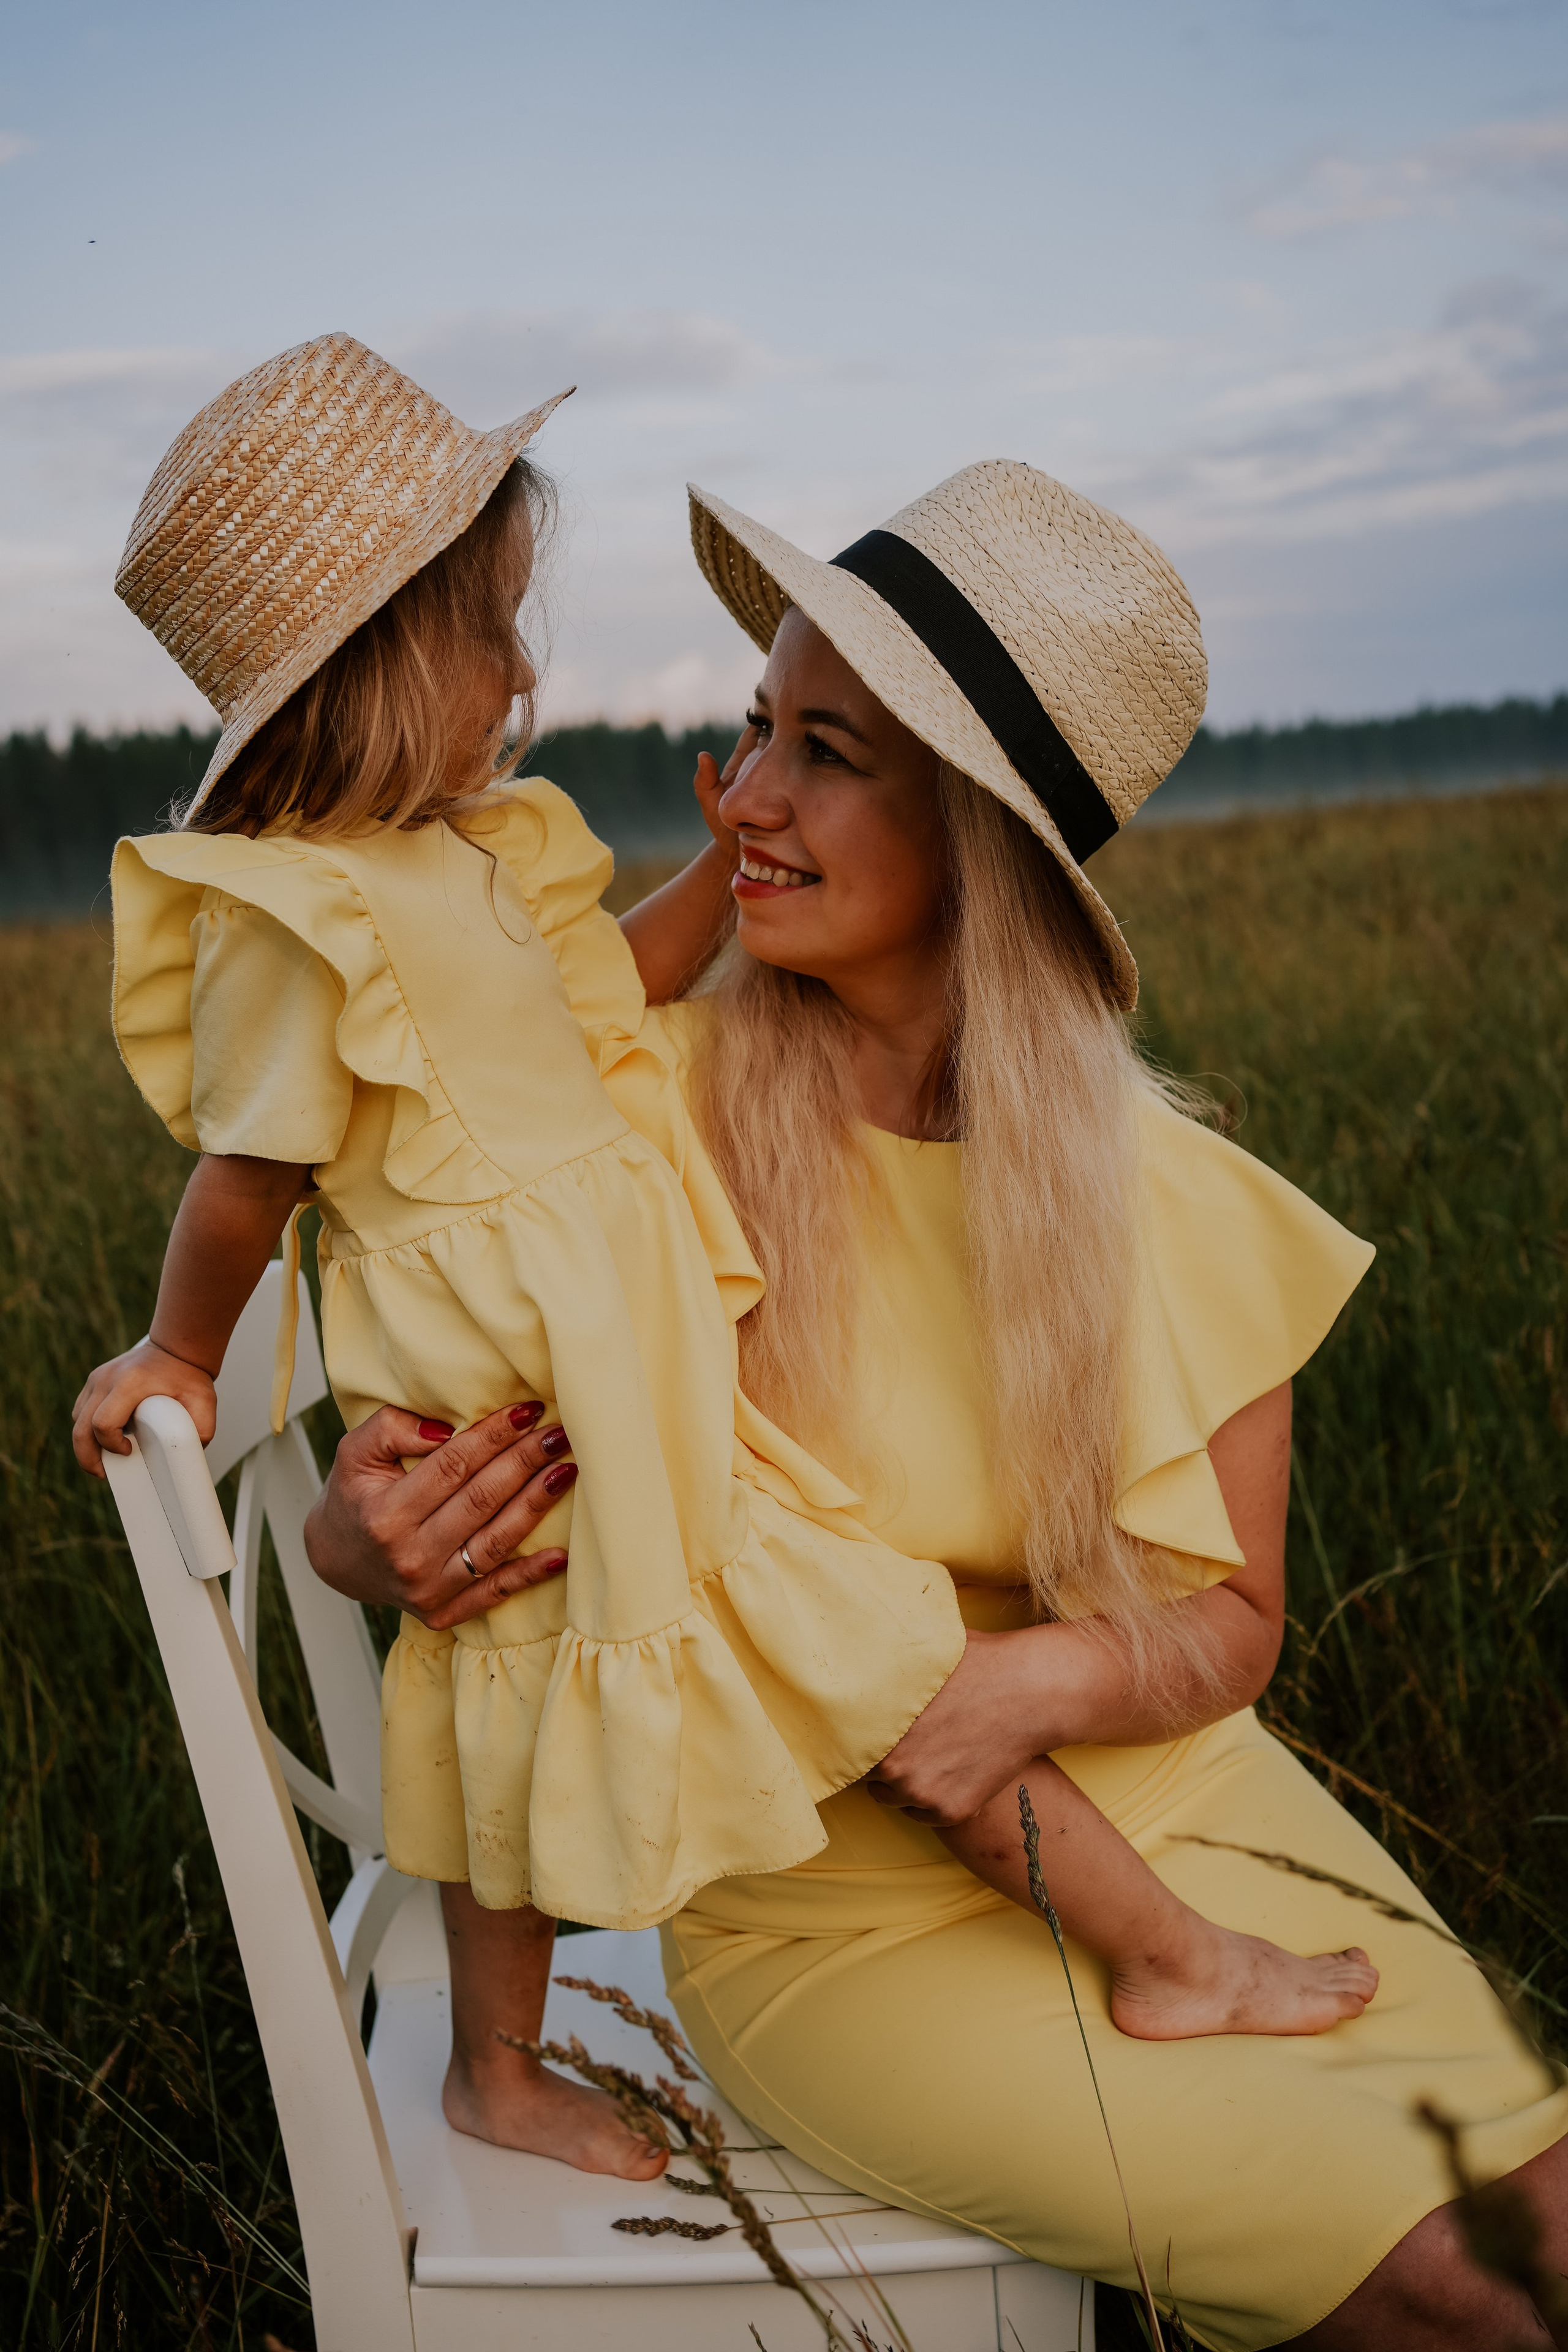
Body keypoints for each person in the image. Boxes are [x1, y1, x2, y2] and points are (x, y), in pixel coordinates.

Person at [303, 462, 1568, 2349]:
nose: (746, 795)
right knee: (1465, 2291)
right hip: (830, 1922)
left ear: (981, 838)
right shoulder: (626, 1116)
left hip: (1179, 1818)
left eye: (829, 751)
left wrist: (1023, 1691)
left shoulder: (1170, 1197)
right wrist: (366, 1535)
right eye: (753, 729)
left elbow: (1231, 1629)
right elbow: (399, 1460)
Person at [70, 333, 973, 2184]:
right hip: (501, 1405)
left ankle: (801, 1938)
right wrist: (178, 1352)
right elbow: (249, 1181)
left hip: (607, 1359)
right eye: (494, 627)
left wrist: (721, 870)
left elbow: (612, 997)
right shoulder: (299, 916)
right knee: (518, 1702)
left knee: (662, 1640)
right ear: (398, 664)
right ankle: (501, 2069)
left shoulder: (485, 854)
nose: (526, 669)